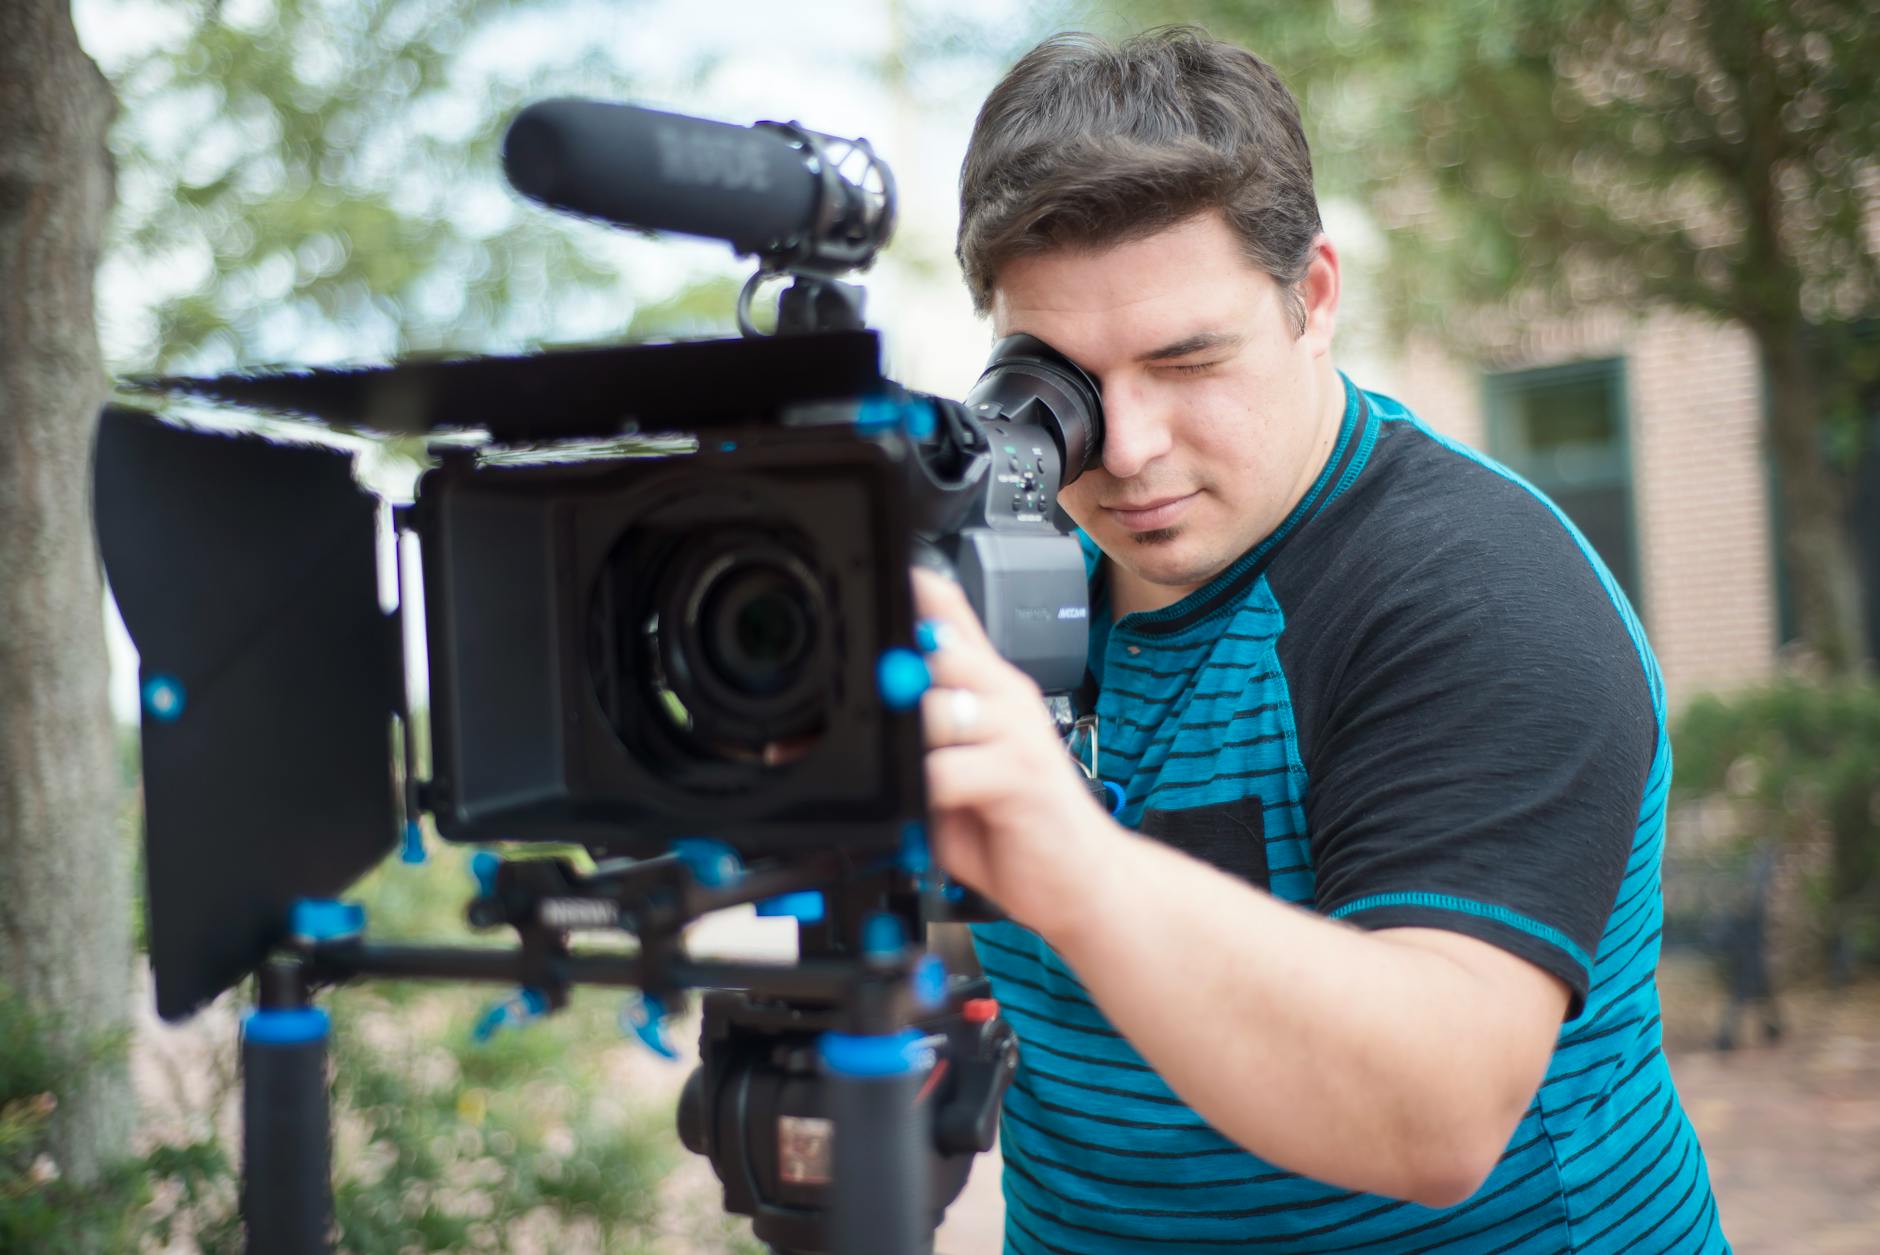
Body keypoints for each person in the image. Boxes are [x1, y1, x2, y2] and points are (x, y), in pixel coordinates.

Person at [909, 26, 1729, 1253]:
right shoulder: (1005, 584)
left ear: (1315, 297)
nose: (1125, 448)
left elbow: (1435, 1114)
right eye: (1062, 383)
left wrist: (1058, 850)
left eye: (1187, 360)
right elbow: (985, 930)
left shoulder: (1474, 589)